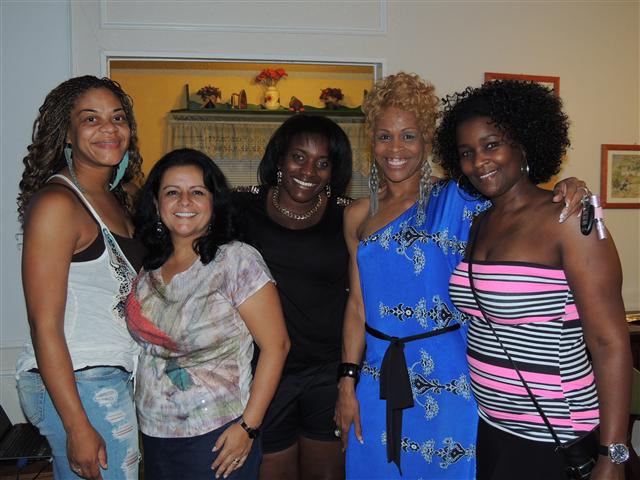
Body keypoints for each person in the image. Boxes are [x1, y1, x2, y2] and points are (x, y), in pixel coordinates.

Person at [333, 72, 590, 479]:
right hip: (377, 376)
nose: (395, 149)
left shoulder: (462, 198)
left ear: (428, 141)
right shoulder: (356, 216)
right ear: (371, 141)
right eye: (384, 137)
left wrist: (568, 187)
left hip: (451, 378)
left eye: (409, 136)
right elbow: (357, 305)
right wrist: (347, 381)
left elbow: (519, 198)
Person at [439, 80, 632, 480]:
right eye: (467, 152)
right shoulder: (480, 222)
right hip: (491, 425)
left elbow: (609, 342)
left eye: (492, 145)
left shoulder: (568, 219)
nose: (479, 161)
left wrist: (613, 454)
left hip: (556, 433)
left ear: (523, 144)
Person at [125, 148, 290, 480]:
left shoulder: (236, 261)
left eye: (197, 192)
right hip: (154, 434)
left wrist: (249, 426)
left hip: (218, 435)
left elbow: (277, 346)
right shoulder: (148, 270)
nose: (184, 201)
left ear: (214, 202)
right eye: (172, 192)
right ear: (156, 204)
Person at [15, 76, 144, 480]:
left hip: (107, 375)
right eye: (91, 119)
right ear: (67, 134)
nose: (109, 128)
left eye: (118, 117)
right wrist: (76, 426)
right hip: (81, 380)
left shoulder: (117, 198)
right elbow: (44, 323)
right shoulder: (58, 203)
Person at [232, 114, 353, 480]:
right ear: (280, 158)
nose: (308, 171)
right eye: (299, 157)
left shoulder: (346, 215)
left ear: (333, 171)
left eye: (322, 163)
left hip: (327, 372)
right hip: (265, 371)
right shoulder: (241, 208)